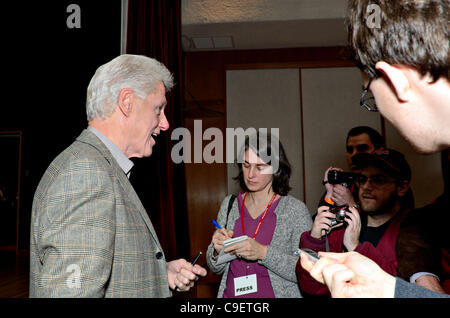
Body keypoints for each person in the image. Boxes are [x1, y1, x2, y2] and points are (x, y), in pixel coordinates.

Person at [300, 0, 449, 298]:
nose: (378, 110)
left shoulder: (414, 226)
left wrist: (386, 286)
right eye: (362, 179)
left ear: (396, 82)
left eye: (370, 96)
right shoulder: (347, 216)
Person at [29, 54, 207, 297]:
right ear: (127, 102)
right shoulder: (86, 174)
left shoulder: (100, 167)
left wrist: (159, 273)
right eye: (158, 109)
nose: (164, 124)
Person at [297, 148, 443, 295]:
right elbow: (312, 289)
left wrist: (355, 247)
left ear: (402, 187)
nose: (366, 187)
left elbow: (400, 288)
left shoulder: (413, 230)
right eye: (362, 179)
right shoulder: (346, 222)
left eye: (378, 181)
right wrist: (314, 240)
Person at [206, 132, 312, 298]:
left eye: (260, 167)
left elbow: (308, 271)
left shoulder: (295, 211)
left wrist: (263, 253)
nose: (250, 174)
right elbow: (215, 268)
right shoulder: (230, 204)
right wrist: (217, 251)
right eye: (246, 165)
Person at [320, 126, 385, 208]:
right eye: (350, 150)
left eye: (362, 149)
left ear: (379, 151)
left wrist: (350, 204)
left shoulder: (386, 186)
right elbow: (319, 218)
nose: (354, 155)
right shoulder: (343, 185)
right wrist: (329, 196)